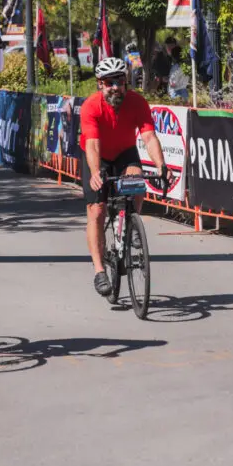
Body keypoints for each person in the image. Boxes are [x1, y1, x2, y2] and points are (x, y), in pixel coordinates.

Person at [80, 56, 168, 298]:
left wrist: (161, 165)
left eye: (119, 81)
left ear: (126, 81)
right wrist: (96, 173)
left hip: (124, 153)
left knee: (137, 184)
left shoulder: (137, 103)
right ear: (100, 84)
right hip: (97, 155)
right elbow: (93, 145)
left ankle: (130, 224)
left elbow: (149, 137)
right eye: (109, 83)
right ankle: (99, 271)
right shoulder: (91, 106)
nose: (115, 87)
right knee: (96, 210)